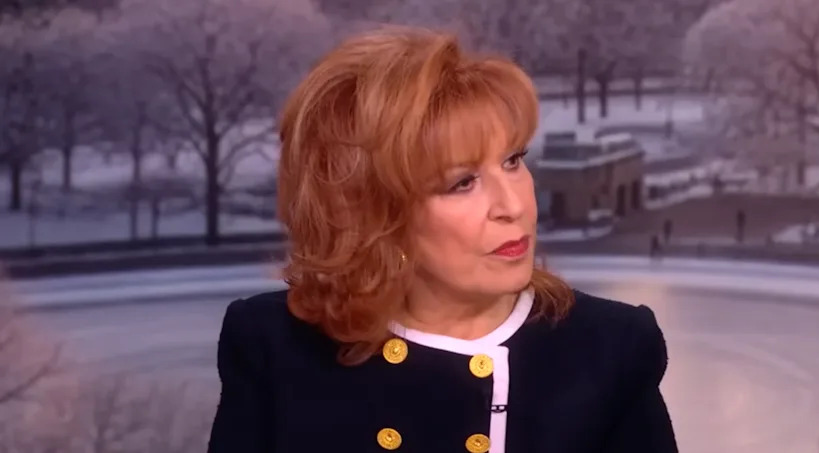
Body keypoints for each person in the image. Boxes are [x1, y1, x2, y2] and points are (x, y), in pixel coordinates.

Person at [207, 26, 677, 453]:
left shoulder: (612, 351)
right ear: (374, 212)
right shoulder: (270, 348)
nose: (512, 205)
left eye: (513, 160)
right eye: (462, 183)